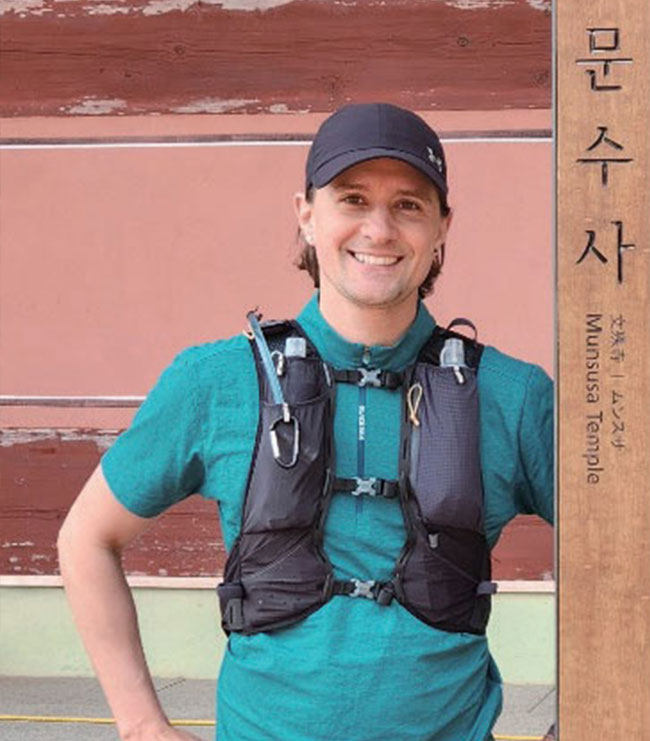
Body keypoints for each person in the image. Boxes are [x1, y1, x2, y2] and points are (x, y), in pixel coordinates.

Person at [58, 103, 555, 741]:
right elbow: (86, 538)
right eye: (352, 199)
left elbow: (634, 554)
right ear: (306, 214)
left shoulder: (513, 396)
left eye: (408, 205)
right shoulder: (214, 381)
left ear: (442, 228)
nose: (379, 229)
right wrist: (141, 726)